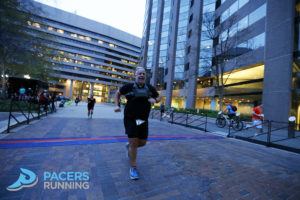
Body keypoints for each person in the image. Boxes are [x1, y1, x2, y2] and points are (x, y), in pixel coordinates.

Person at [114, 67, 160, 180]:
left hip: (142, 119)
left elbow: (158, 97)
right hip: (130, 118)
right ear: (136, 75)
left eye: (143, 74)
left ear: (145, 76)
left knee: (142, 142)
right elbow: (117, 93)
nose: (141, 75)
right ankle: (133, 167)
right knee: (134, 141)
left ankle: (129, 147)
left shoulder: (150, 88)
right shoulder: (129, 87)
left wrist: (155, 100)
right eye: (139, 74)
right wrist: (116, 105)